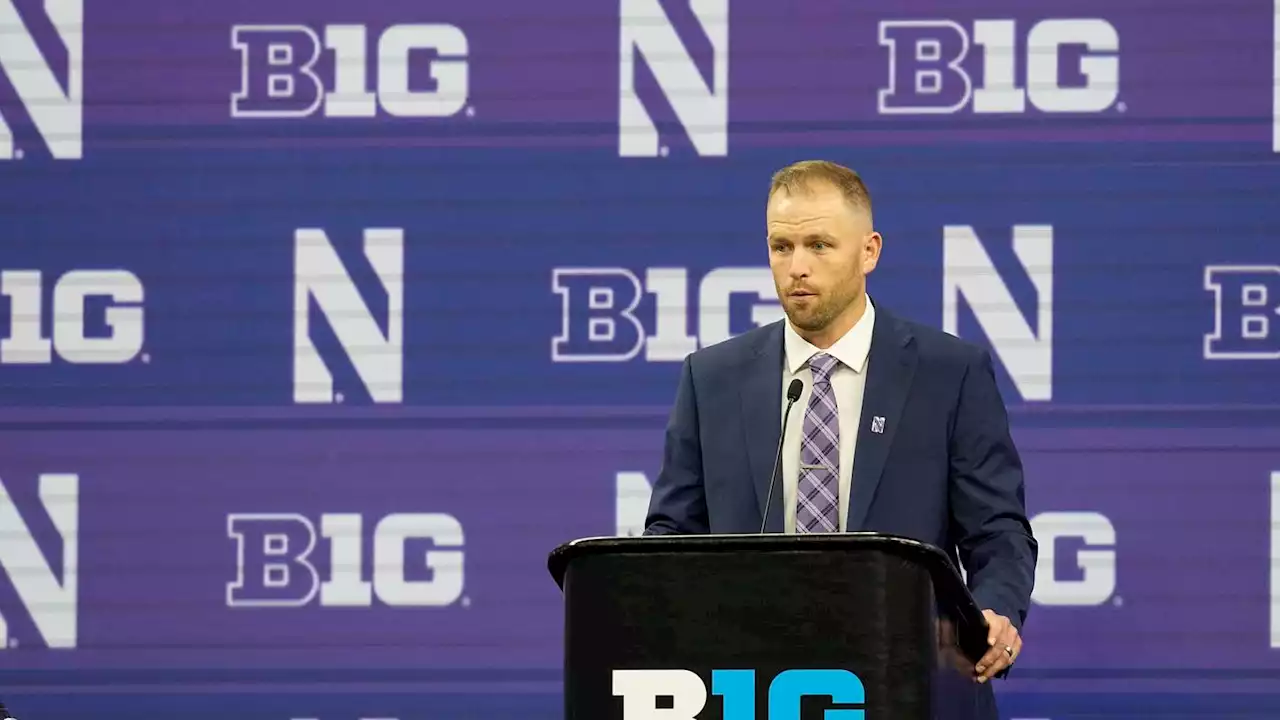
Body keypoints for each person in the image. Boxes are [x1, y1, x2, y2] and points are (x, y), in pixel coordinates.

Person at [642, 160, 1038, 700]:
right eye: (782, 247)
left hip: (902, 679)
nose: (797, 267)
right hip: (749, 686)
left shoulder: (949, 372)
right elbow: (671, 535)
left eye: (819, 245)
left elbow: (997, 530)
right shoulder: (711, 378)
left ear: (869, 251)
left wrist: (995, 611)